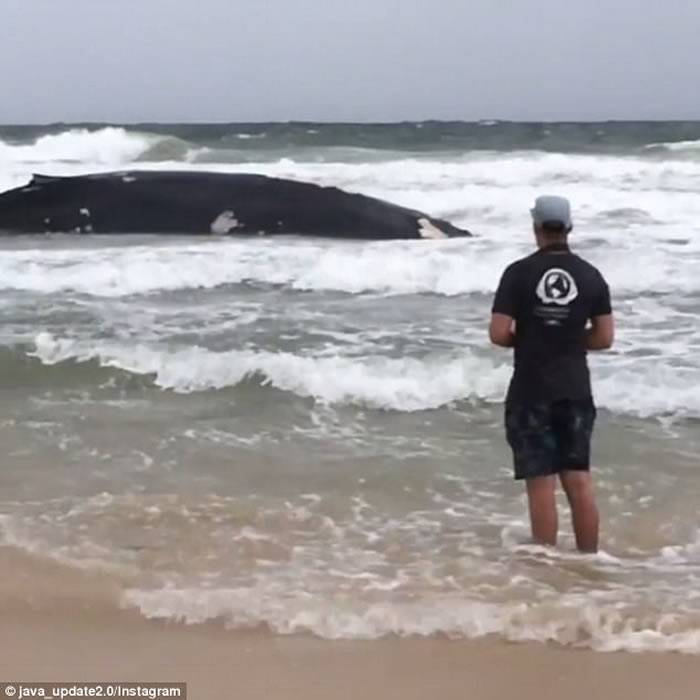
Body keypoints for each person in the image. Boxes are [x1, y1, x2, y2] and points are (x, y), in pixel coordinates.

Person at [489, 196, 614, 553]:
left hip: (531, 388)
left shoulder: (518, 273)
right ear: (569, 228)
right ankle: (590, 558)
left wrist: (532, 340)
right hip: (575, 388)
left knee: (540, 482)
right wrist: (568, 341)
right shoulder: (591, 275)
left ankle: (545, 564)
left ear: (536, 228)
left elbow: (499, 333)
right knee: (578, 478)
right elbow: (604, 337)